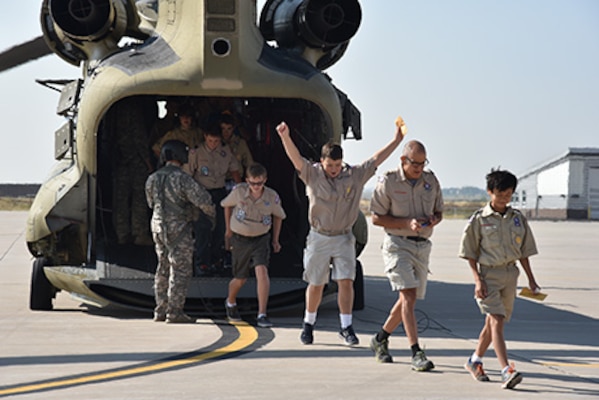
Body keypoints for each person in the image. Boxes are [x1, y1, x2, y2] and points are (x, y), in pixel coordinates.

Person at [275, 118, 405, 346]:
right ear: (322, 162)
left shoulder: (354, 175)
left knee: (346, 281)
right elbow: (295, 158)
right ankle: (308, 324)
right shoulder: (312, 174)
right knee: (316, 283)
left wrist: (396, 140)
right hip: (319, 237)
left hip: (344, 237)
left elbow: (376, 159)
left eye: (337, 165)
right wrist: (285, 136)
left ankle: (346, 327)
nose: (334, 170)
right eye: (329, 166)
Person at [459, 169, 540, 389]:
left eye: (508, 194)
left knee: (494, 322)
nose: (504, 198)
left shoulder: (517, 219)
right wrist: (478, 280)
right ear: (490, 192)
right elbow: (469, 253)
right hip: (488, 276)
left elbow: (524, 252)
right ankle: (506, 370)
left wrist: (531, 280)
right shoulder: (479, 219)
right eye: (500, 193)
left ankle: (474, 361)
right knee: (496, 319)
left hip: (510, 275)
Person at [369, 139, 443, 371]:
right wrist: (405, 223)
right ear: (403, 160)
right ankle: (416, 352)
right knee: (408, 296)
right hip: (397, 244)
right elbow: (376, 217)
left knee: (406, 301)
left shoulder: (431, 181)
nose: (419, 168)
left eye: (423, 163)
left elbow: (440, 211)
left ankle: (380, 339)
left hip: (422, 246)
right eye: (415, 163)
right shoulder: (389, 181)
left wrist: (434, 219)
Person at [145, 140, 215, 323]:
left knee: (162, 267)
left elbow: (150, 203)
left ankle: (160, 309)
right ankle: (175, 312)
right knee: (180, 269)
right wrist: (212, 215)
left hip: (158, 226)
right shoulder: (182, 178)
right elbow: (204, 200)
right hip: (179, 229)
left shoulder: (152, 178)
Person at [221, 163, 286, 327]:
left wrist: (275, 240)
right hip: (240, 239)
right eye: (252, 183)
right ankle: (230, 301)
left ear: (265, 180)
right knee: (240, 278)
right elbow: (226, 205)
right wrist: (228, 231)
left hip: (261, 238)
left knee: (262, 272)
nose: (256, 187)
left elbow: (279, 216)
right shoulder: (239, 192)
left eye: (260, 183)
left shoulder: (271, 197)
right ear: (247, 180)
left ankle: (262, 314)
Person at [187, 126, 242, 274]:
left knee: (221, 227)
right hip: (201, 193)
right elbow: (188, 175)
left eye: (216, 141)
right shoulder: (196, 152)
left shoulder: (225, 151)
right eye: (210, 140)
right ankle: (202, 262)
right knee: (202, 228)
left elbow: (234, 170)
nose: (213, 144)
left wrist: (242, 190)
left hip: (220, 192)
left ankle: (217, 259)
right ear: (205, 137)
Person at [220, 112, 254, 184]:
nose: (226, 132)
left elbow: (249, 164)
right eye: (223, 128)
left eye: (229, 129)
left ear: (233, 128)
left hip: (236, 180)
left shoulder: (241, 143)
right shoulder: (215, 143)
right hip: (219, 182)